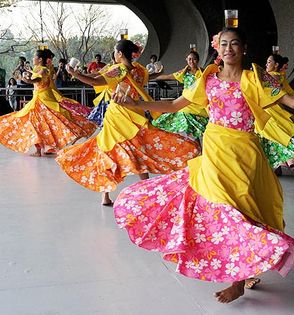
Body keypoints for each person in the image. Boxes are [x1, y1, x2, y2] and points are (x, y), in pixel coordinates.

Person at [113, 28, 294, 303]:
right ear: (218, 48)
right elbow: (175, 104)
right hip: (215, 151)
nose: (228, 49)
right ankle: (237, 280)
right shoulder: (208, 77)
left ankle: (243, 271)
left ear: (244, 48)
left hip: (245, 154)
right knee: (221, 210)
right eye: (223, 44)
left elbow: (290, 100)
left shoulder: (257, 77)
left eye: (234, 44)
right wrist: (135, 103)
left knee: (243, 212)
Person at [55, 40, 199, 206]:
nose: (115, 55)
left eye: (115, 52)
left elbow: (96, 82)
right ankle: (144, 189)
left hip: (118, 116)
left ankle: (106, 194)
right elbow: (149, 77)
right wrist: (159, 72)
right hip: (135, 114)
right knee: (139, 150)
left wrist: (75, 73)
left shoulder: (119, 69)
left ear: (120, 54)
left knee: (108, 151)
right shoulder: (139, 69)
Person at [0, 49, 96, 157]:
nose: (33, 59)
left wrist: (25, 78)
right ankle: (44, 148)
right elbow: (37, 77)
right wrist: (30, 72)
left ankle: (44, 148)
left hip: (43, 100)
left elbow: (35, 80)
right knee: (38, 123)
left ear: (40, 59)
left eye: (34, 57)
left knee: (41, 123)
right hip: (39, 99)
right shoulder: (41, 69)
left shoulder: (43, 70)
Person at [150, 51, 208, 142]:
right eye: (189, 59)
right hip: (186, 102)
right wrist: (152, 77)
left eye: (194, 59)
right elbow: (168, 76)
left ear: (198, 60)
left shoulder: (204, 72)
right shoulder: (184, 73)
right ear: (186, 60)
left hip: (199, 104)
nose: (191, 61)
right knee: (180, 120)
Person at [86, 51, 117, 128]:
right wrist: (79, 75)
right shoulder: (109, 67)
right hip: (109, 95)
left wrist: (78, 75)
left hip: (112, 96)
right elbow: (97, 74)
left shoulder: (115, 68)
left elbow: (96, 76)